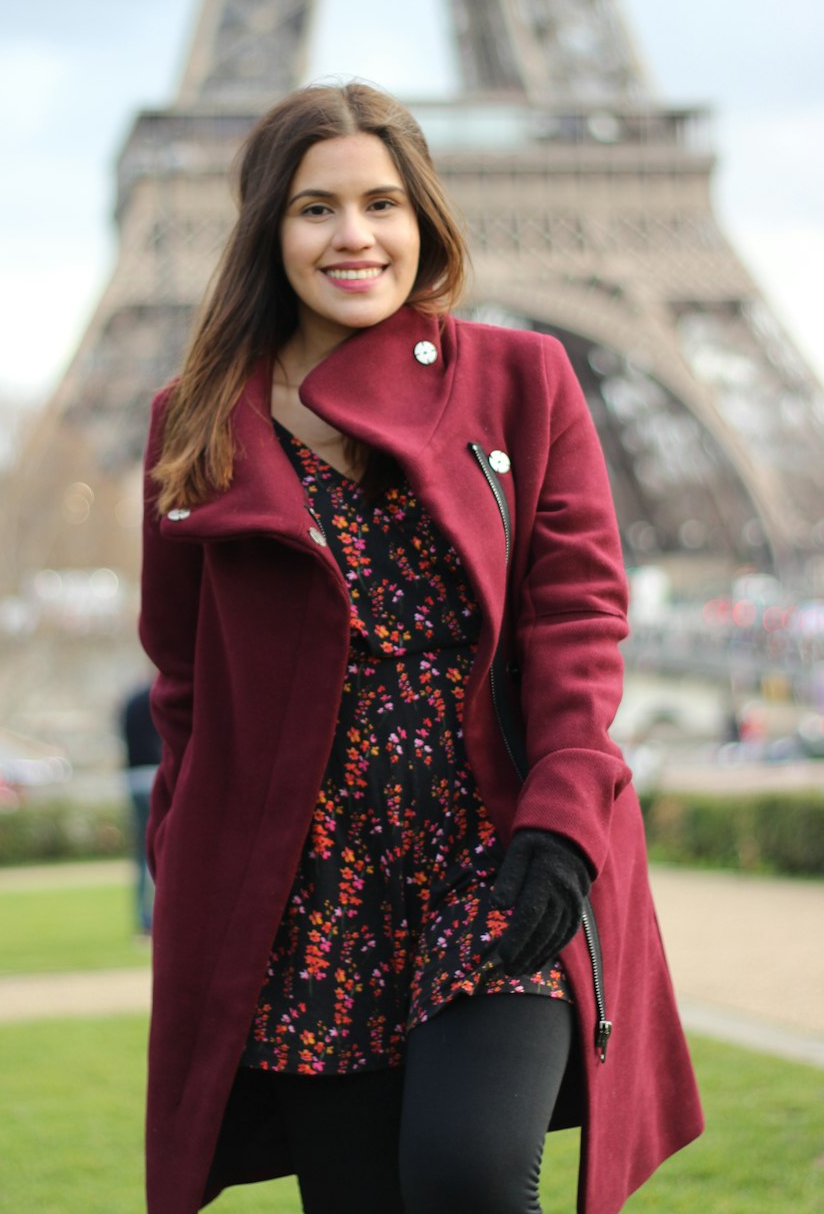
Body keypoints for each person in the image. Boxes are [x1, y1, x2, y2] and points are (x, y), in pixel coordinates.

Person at [138, 83, 702, 1214]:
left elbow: (578, 620)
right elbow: (183, 676)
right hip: (311, 888)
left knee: (469, 1180)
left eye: (382, 203)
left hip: (498, 855)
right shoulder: (194, 422)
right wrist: (185, 846)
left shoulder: (520, 378)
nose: (354, 236)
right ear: (267, 230)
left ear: (423, 219)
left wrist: (561, 820)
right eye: (316, 209)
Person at [120, 681, 160, 935]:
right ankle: (158, 913)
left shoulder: (132, 701)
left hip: (134, 779)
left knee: (141, 854)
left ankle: (143, 916)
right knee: (162, 850)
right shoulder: (155, 698)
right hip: (155, 775)